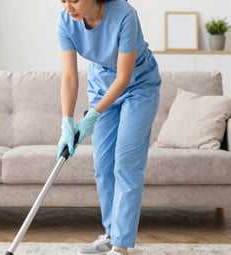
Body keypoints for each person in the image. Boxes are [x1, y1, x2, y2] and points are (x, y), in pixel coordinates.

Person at [56, 0, 161, 254]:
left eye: (74, 0)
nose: (68, 6)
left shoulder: (125, 15)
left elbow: (124, 77)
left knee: (126, 164)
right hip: (101, 87)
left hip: (138, 88)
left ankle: (121, 245)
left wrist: (92, 116)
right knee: (102, 166)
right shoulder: (65, 21)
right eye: (63, 0)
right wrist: (67, 121)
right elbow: (69, 76)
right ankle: (111, 233)